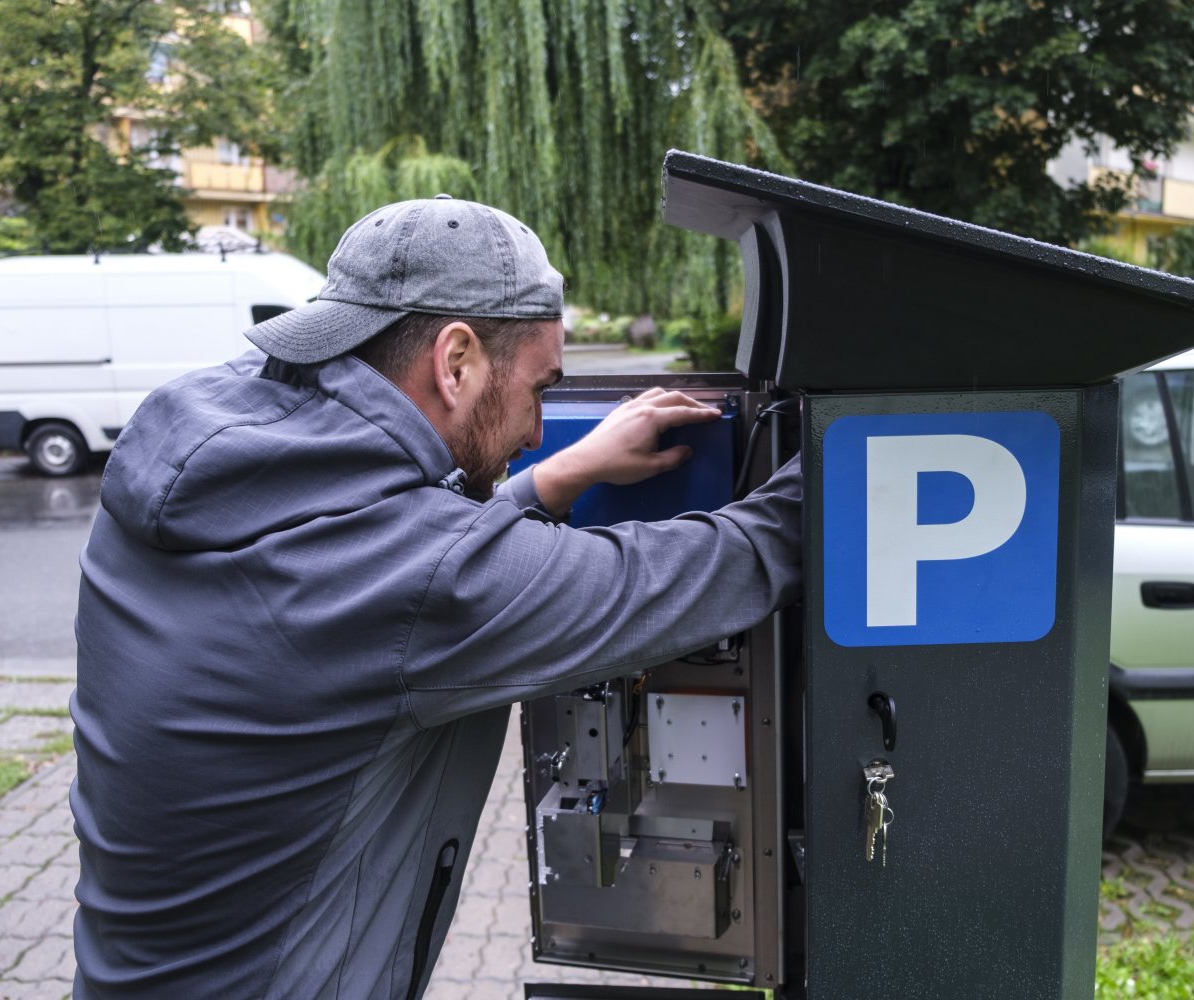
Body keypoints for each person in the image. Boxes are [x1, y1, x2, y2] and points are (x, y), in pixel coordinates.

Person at [69, 195, 802, 998]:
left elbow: (394, 567)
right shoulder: (413, 581)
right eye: (540, 388)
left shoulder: (197, 457)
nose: (534, 432)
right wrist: (861, 457)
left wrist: (555, 479)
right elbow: (714, 567)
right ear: (456, 361)